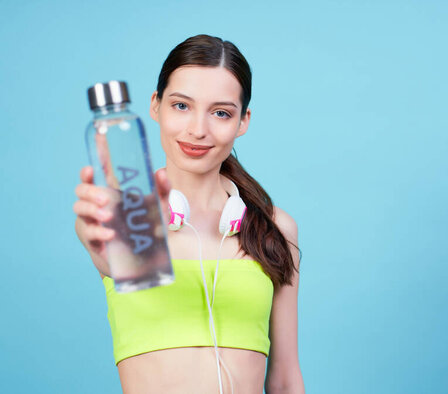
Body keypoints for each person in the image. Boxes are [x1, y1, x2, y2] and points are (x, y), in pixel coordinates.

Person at [73, 34, 305, 394]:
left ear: (243, 121)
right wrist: (110, 254)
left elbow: (286, 379)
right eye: (181, 106)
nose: (198, 129)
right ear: (156, 105)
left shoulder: (275, 228)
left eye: (221, 113)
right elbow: (108, 257)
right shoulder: (126, 219)